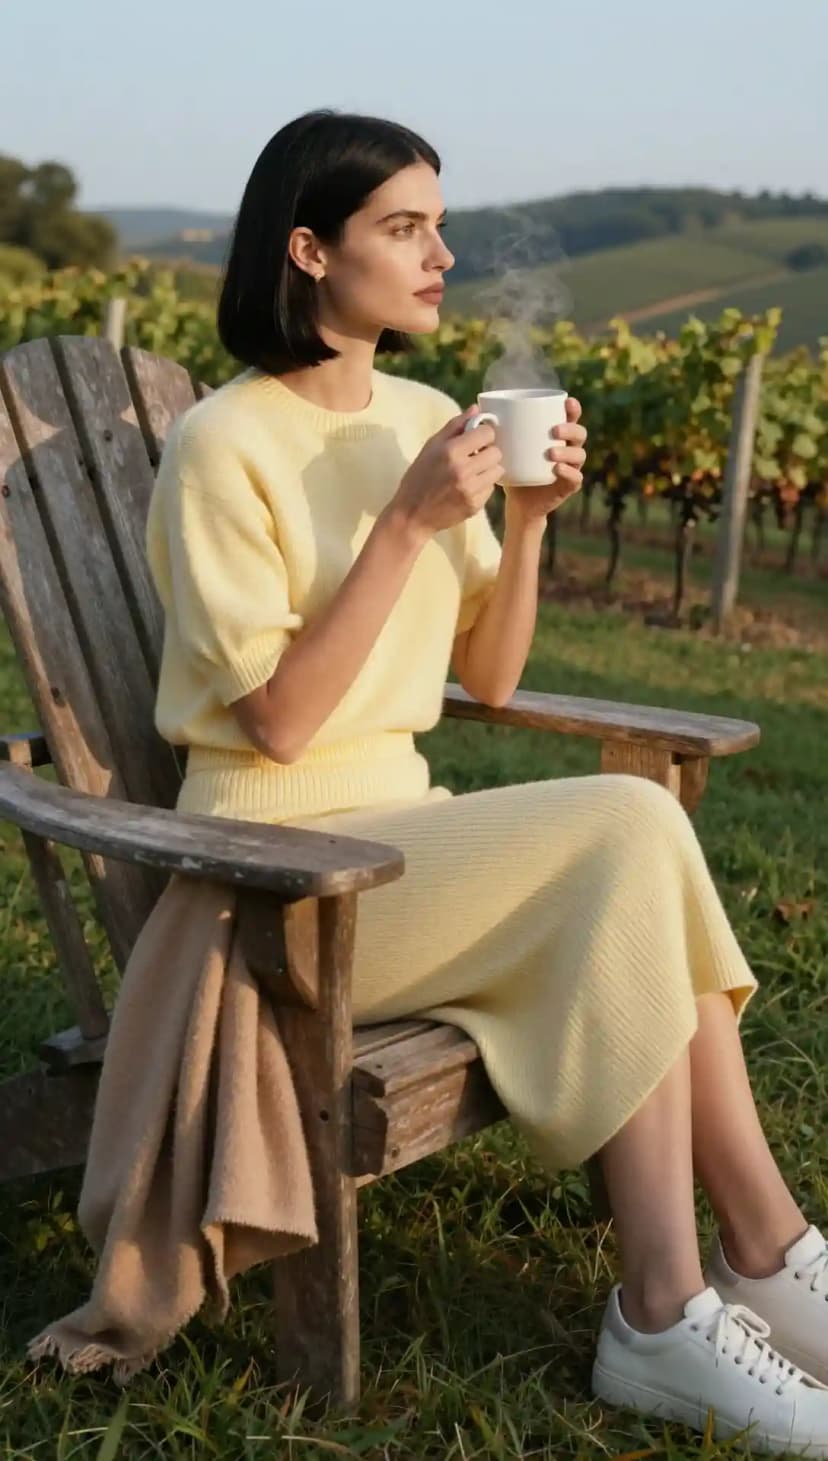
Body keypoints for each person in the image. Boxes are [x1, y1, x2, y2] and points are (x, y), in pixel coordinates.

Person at [145, 110, 828, 1454]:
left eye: (440, 223)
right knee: (631, 823)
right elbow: (278, 727)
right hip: (272, 882)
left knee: (634, 858)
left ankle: (729, 1271)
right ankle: (696, 1286)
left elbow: (496, 682)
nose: (439, 252)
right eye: (403, 227)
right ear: (308, 250)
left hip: (403, 842)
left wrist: (521, 528)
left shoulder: (418, 413)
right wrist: (403, 525)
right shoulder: (222, 447)